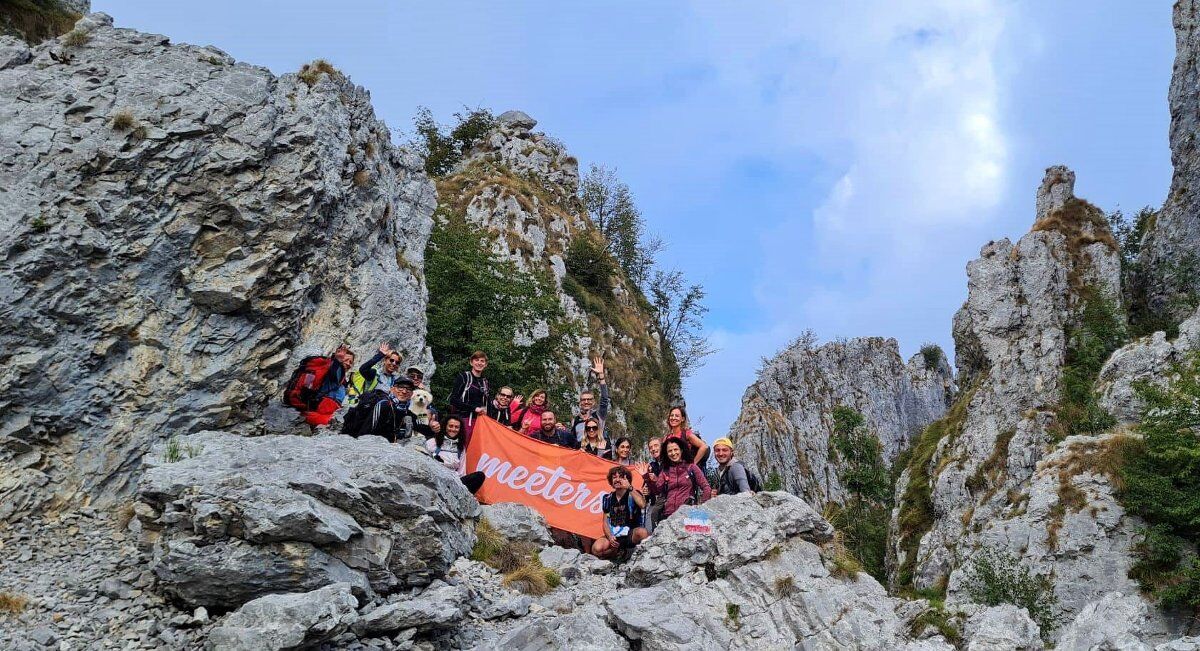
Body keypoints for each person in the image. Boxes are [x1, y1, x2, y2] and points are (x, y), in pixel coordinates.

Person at [592, 465, 649, 559]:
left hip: (630, 534)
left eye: (621, 477)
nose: (617, 479)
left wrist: (629, 487)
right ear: (611, 481)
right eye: (614, 477)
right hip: (614, 534)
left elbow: (642, 505)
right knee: (596, 549)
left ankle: (640, 557)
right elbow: (605, 521)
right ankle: (616, 553)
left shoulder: (633, 493)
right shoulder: (607, 498)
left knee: (642, 532)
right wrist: (610, 536)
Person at [653, 439, 711, 520]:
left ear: (681, 450)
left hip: (687, 514)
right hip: (668, 515)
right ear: (666, 454)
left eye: (676, 449)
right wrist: (647, 477)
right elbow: (657, 491)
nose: (673, 453)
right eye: (670, 451)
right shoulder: (665, 471)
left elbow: (706, 487)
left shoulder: (691, 467)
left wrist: (701, 507)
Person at [426, 417, 485, 494]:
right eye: (450, 426)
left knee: (479, 476)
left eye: (456, 427)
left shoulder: (460, 447)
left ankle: (463, 498)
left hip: (454, 482)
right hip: (436, 480)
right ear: (445, 426)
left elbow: (462, 472)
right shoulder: (433, 442)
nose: (453, 429)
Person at [302, 345, 355, 429]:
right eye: (346, 360)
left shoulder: (343, 380)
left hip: (324, 414)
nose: (348, 363)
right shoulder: (337, 371)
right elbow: (333, 373)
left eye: (351, 362)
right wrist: (337, 361)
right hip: (320, 415)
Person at [449, 351, 490, 444]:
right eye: (476, 360)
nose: (479, 363)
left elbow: (486, 402)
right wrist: (474, 409)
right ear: (471, 362)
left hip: (479, 421)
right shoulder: (463, 377)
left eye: (482, 361)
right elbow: (453, 400)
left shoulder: (485, 382)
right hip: (462, 419)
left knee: (474, 447)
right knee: (462, 446)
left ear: (486, 364)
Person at [347, 343, 402, 407]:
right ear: (385, 360)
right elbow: (363, 369)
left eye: (397, 362)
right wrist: (380, 355)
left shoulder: (397, 380)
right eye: (391, 360)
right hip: (368, 408)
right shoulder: (374, 374)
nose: (394, 363)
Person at [571, 356, 609, 440]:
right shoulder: (576, 420)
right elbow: (573, 440)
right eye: (583, 400)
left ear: (594, 402)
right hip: (580, 452)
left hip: (595, 452)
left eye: (589, 399)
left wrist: (601, 376)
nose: (586, 402)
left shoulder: (599, 415)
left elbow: (604, 400)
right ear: (580, 403)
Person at [641, 437, 665, 532]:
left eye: (656, 446)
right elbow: (646, 487)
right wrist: (645, 491)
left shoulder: (670, 463)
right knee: (649, 533)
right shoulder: (651, 466)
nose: (653, 449)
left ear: (662, 447)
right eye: (650, 447)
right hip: (654, 504)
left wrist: (657, 480)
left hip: (667, 505)